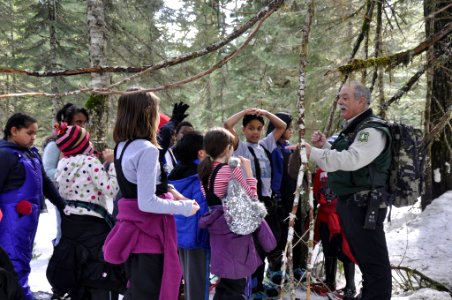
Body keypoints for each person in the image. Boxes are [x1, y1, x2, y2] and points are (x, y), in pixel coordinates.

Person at [103, 90, 199, 300]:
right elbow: (146, 202)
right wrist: (184, 208)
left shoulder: (122, 146)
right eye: (156, 110)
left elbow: (145, 189)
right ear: (147, 113)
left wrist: (174, 194)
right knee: (150, 292)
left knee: (138, 290)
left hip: (133, 232)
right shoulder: (147, 149)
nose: (158, 115)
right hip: (149, 233)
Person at [306, 81, 392, 300]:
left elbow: (353, 160)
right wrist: (325, 147)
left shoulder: (371, 129)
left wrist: (313, 152)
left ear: (361, 101)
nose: (340, 102)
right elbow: (346, 162)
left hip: (366, 205)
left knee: (373, 261)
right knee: (364, 258)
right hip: (354, 204)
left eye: (346, 97)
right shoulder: (356, 128)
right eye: (339, 97)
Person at [46, 123, 125, 300]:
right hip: (93, 224)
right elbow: (111, 190)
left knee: (78, 267)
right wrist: (112, 165)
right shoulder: (90, 162)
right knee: (98, 267)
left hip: (71, 222)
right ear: (82, 144)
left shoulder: (63, 163)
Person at [198, 127, 276, 300]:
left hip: (217, 231)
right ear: (227, 148)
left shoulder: (205, 172)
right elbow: (252, 199)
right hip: (234, 231)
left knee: (226, 285)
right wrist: (248, 172)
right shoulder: (229, 171)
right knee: (236, 286)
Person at [0, 113, 68, 300]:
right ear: (14, 131)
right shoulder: (5, 154)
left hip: (27, 221)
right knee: (13, 261)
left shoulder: (31, 153)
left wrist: (62, 205)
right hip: (11, 222)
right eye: (29, 133)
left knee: (22, 259)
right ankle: (20, 295)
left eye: (36, 133)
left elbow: (45, 182)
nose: (33, 137)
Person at [224, 108, 286, 298]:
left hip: (265, 201)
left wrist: (266, 113)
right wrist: (243, 112)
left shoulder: (266, 144)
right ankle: (252, 287)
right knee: (252, 246)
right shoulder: (240, 147)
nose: (255, 132)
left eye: (259, 128)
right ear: (243, 129)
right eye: (251, 128)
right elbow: (227, 125)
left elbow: (281, 126)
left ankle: (259, 283)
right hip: (248, 201)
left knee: (266, 244)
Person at [264, 112, 308, 291]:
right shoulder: (270, 148)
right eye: (287, 128)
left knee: (296, 231)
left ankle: (296, 267)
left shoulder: (289, 148)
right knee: (277, 235)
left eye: (291, 128)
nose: (290, 131)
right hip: (278, 199)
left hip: (293, 198)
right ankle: (274, 270)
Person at [168, 132, 210, 300]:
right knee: (198, 285)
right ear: (200, 152)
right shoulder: (199, 176)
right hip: (197, 237)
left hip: (178, 235)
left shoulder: (174, 173)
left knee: (187, 279)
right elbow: (202, 209)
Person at [313, 167, 356, 299]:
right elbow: (316, 191)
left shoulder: (344, 167)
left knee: (345, 250)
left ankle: (350, 286)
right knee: (328, 249)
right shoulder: (320, 171)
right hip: (325, 216)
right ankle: (329, 282)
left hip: (341, 217)